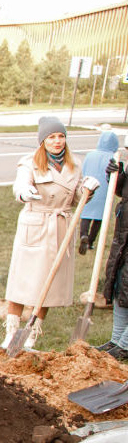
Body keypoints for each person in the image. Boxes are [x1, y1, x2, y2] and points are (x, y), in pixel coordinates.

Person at [0, 117, 98, 350]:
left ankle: (32, 334)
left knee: (48, 285)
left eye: (61, 136)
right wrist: (25, 192)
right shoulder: (30, 162)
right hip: (35, 225)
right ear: (42, 140)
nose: (57, 141)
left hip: (60, 227)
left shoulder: (74, 165)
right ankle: (11, 333)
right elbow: (20, 186)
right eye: (51, 137)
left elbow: (74, 199)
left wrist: (87, 190)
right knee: (21, 282)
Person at [98, 152, 128, 360]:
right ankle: (117, 340)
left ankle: (125, 344)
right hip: (124, 232)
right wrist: (117, 177)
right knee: (121, 283)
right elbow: (122, 191)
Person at [79, 131, 120, 254]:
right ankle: (91, 241)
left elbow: (83, 170)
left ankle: (83, 235)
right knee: (99, 217)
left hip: (89, 187)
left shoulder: (90, 155)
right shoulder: (113, 158)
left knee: (86, 214)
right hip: (104, 190)